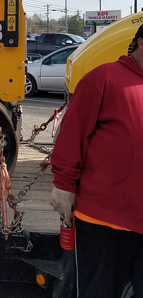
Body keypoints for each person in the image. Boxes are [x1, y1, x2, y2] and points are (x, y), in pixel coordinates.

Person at [50, 25, 143, 298]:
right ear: (141, 42)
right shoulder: (104, 78)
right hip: (104, 220)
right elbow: (72, 134)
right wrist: (64, 185)